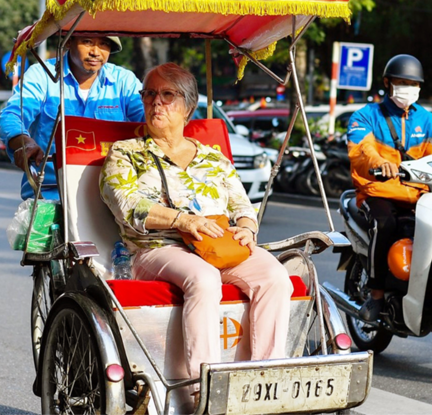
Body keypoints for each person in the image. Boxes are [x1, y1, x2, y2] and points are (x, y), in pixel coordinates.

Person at [100, 63, 292, 405]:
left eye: (167, 95)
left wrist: (247, 229)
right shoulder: (126, 153)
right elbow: (127, 206)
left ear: (188, 106)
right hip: (157, 248)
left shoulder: (213, 158)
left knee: (276, 276)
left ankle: (264, 381)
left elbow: (243, 208)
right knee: (203, 278)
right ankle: (204, 389)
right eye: (149, 94)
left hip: (219, 245)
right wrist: (183, 221)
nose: (156, 102)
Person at [346, 54, 432, 322]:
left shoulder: (428, 121)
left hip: (417, 193)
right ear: (388, 83)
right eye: (401, 82)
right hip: (377, 192)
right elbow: (361, 149)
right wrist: (379, 161)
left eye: (412, 84)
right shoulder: (365, 116)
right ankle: (376, 295)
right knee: (386, 224)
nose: (407, 88)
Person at [0, 36, 144, 199]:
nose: (95, 52)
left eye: (104, 44)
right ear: (68, 42)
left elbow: (148, 119)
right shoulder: (42, 75)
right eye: (88, 41)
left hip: (111, 193)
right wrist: (24, 142)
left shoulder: (124, 81)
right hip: (51, 192)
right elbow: (12, 115)